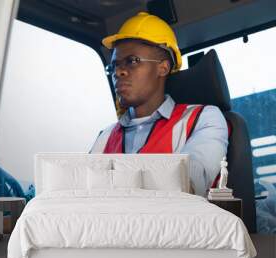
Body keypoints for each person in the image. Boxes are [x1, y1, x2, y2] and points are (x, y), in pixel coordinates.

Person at [89, 12, 228, 196]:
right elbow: (84, 193)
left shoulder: (202, 119)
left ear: (163, 68)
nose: (119, 72)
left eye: (132, 61)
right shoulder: (105, 137)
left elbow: (189, 185)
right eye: (115, 65)